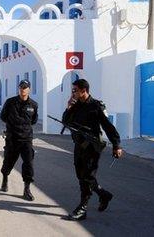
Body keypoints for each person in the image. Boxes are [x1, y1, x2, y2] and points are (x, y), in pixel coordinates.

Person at [62, 79, 123, 221]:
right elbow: (65, 122)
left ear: (84, 90)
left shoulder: (97, 106)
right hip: (79, 145)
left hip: (92, 147)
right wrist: (68, 107)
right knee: (81, 175)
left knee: (87, 177)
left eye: (75, 90)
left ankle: (82, 208)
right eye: (73, 90)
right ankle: (103, 195)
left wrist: (116, 145)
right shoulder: (75, 106)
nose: (73, 93)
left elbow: (108, 126)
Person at [0, 79, 38, 201]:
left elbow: (34, 120)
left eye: (25, 87)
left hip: (27, 139)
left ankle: (26, 189)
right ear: (19, 88)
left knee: (28, 164)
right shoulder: (10, 102)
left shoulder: (33, 105)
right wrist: (13, 126)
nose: (23, 89)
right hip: (12, 138)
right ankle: (5, 178)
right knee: (8, 162)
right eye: (21, 87)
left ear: (29, 89)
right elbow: (3, 116)